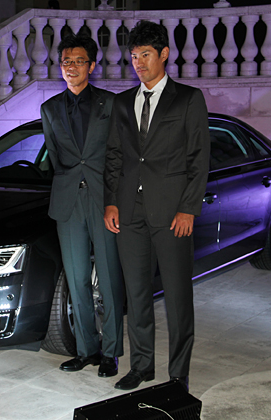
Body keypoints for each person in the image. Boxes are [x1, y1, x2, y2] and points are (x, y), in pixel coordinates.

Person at [103, 20, 210, 391]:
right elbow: (114, 157)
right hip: (129, 213)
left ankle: (178, 373)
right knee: (136, 294)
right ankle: (141, 366)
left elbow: (199, 157)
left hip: (172, 213)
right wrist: (111, 203)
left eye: (145, 55)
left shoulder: (188, 99)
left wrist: (189, 208)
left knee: (178, 297)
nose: (138, 63)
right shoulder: (121, 102)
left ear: (164, 54)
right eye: (134, 56)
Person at [41, 34, 124, 377]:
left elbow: (119, 156)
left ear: (91, 65)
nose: (71, 67)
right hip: (68, 202)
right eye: (66, 61)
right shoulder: (49, 109)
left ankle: (111, 352)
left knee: (109, 277)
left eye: (78, 61)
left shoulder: (111, 104)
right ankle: (86, 350)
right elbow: (55, 156)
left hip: (103, 200)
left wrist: (115, 201)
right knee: (76, 280)